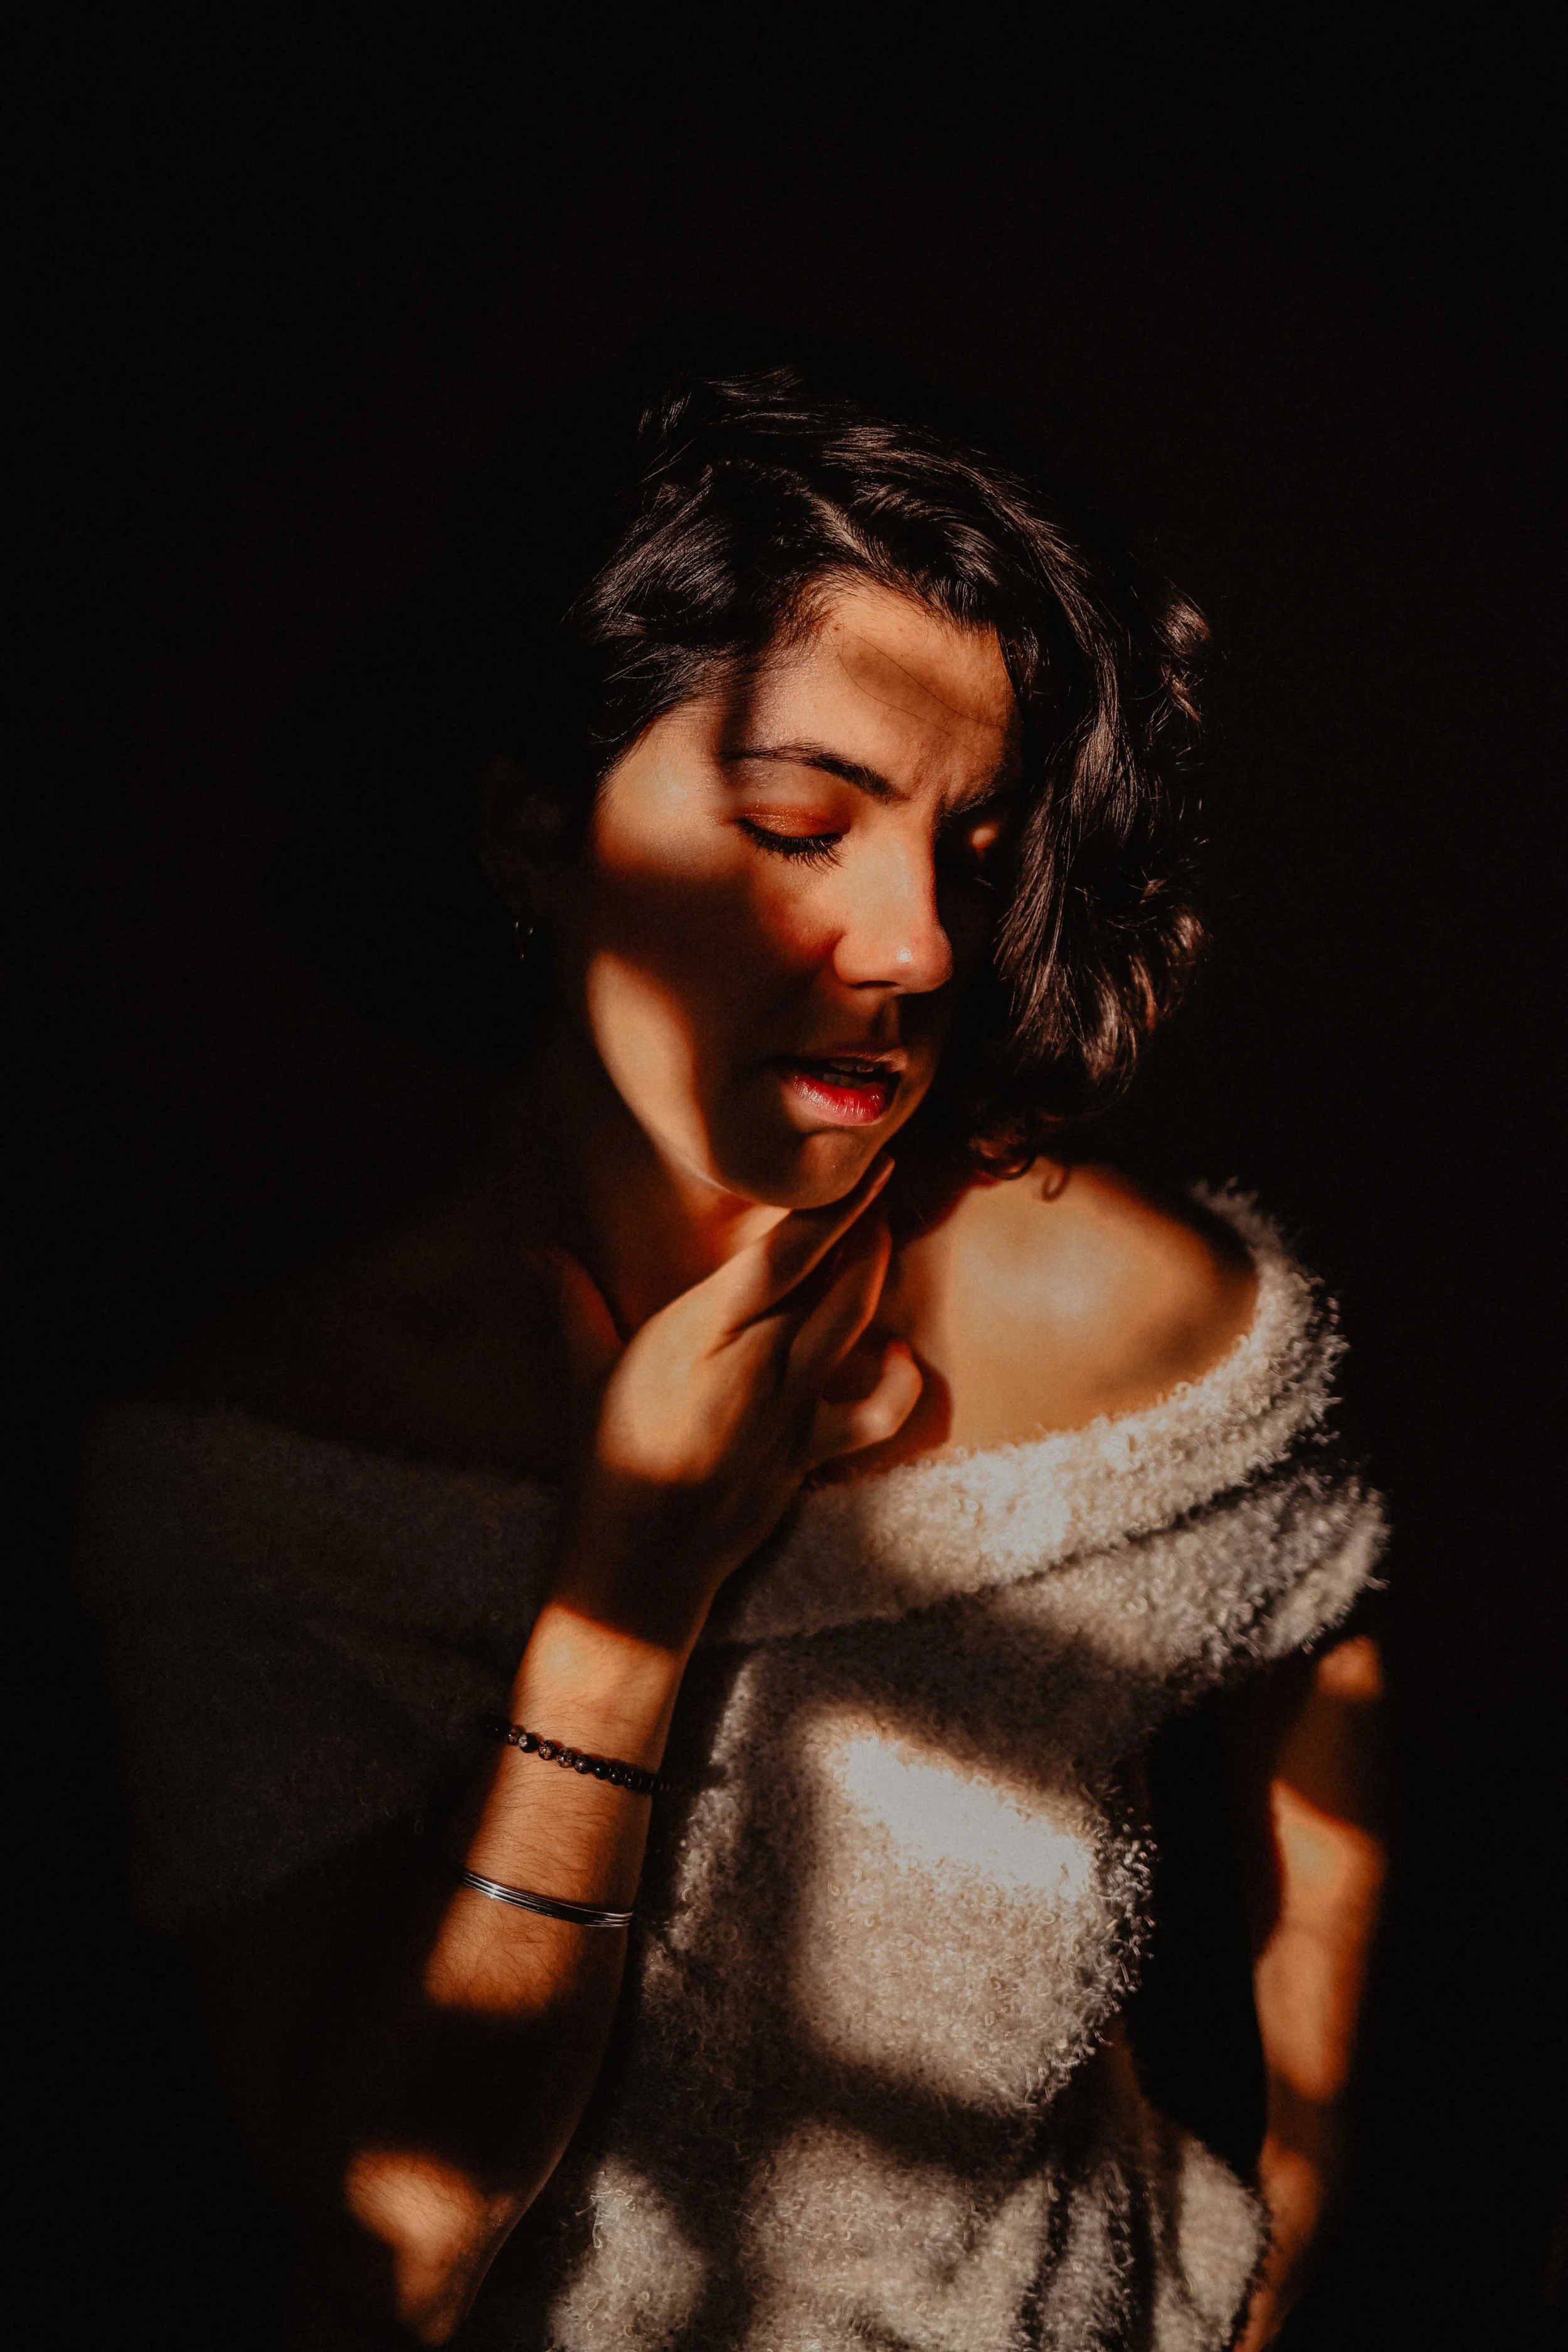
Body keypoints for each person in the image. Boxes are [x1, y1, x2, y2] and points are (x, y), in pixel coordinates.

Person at [77, 337, 1387, 2350]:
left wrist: (1290, 2219)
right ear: (531, 826)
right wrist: (625, 1582)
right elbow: (396, 2240)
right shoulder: (254, 1471)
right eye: (800, 821)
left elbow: (1325, 1622)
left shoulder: (1116, 1308)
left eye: (970, 847)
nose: (922, 946)